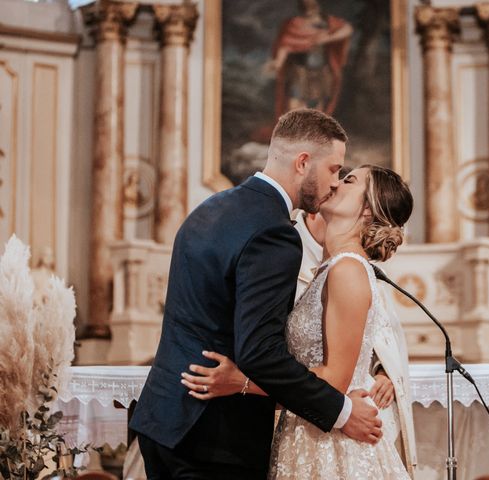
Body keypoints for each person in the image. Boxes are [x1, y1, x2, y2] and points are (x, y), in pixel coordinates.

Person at [129, 109, 382, 480]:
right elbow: (259, 353)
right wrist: (342, 411)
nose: (335, 182)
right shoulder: (274, 233)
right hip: (214, 438)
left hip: (165, 420)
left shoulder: (211, 208)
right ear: (303, 162)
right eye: (334, 169)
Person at [183, 165, 414, 478]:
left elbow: (335, 381)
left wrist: (243, 383)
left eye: (349, 180)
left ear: (368, 210)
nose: (335, 182)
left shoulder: (347, 271)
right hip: (310, 429)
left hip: (332, 446)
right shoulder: (331, 268)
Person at [292, 208, 418, 476]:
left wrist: (385, 372)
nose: (337, 183)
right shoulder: (287, 246)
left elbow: (383, 333)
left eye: (347, 180)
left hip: (348, 415)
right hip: (302, 414)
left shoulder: (351, 265)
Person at [268, 0, 352, 118]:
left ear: (318, 6)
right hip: (299, 70)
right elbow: (285, 45)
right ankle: (296, 133)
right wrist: (278, 62)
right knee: (294, 104)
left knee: (317, 107)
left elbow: (347, 29)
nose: (308, 10)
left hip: (320, 71)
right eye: (305, 6)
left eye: (311, 6)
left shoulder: (327, 23)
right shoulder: (294, 23)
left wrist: (327, 38)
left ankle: (311, 134)